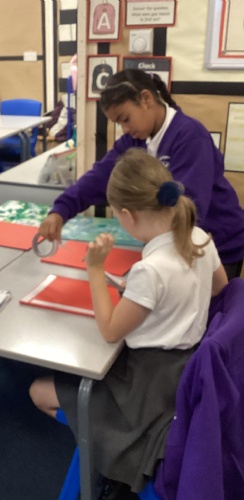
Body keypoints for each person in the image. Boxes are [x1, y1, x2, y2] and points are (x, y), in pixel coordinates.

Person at [30, 149, 228, 497]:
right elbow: (220, 289)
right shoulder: (199, 238)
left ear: (127, 214)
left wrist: (95, 269)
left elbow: (109, 331)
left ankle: (107, 453)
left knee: (38, 391)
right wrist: (169, 305)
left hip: (146, 386)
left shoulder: (150, 270)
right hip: (186, 370)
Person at [38, 69, 244, 280]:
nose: (125, 129)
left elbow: (189, 206)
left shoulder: (190, 136)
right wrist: (61, 210)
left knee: (204, 302)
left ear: (146, 99)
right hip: (174, 246)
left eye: (126, 119)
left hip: (216, 245)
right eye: (119, 124)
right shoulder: (135, 140)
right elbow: (98, 178)